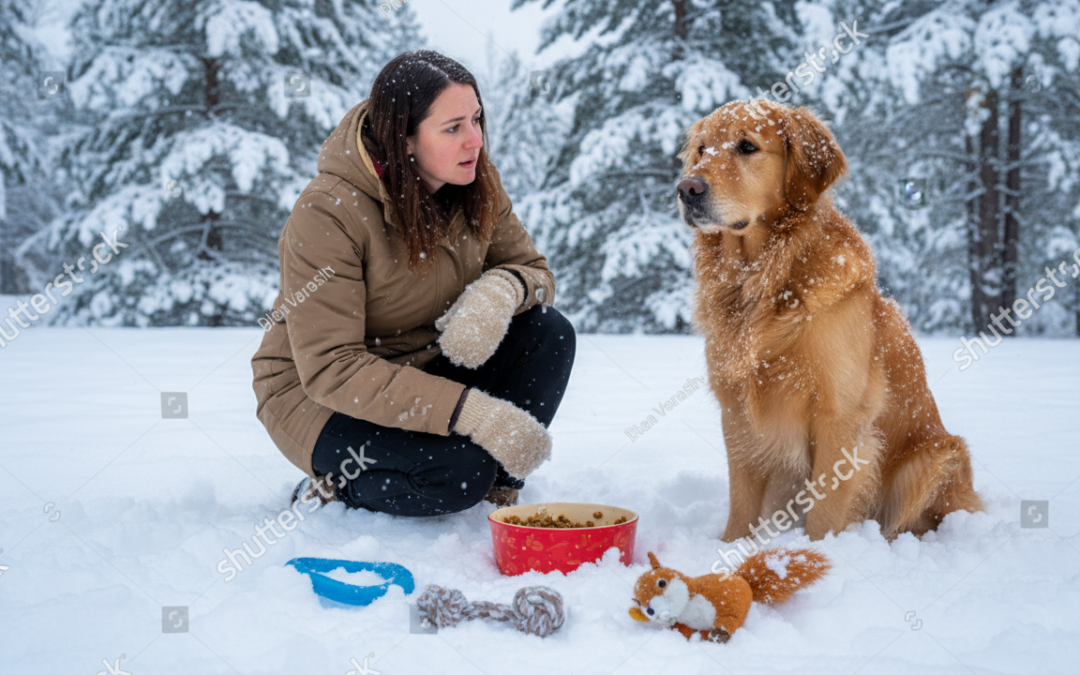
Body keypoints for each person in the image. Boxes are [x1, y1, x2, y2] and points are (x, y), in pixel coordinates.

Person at [251, 50, 575, 516]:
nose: (476, 141)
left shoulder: (476, 182)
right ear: (403, 138)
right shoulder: (329, 211)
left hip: (424, 365)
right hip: (318, 396)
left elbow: (537, 274)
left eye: (477, 120)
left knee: (548, 331)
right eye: (453, 128)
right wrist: (472, 413)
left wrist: (501, 291)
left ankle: (498, 493)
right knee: (455, 474)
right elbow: (331, 368)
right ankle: (333, 489)